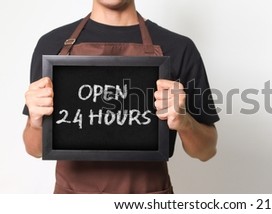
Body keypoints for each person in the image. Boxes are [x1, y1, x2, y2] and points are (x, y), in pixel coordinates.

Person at [22, 0, 219, 193]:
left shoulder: (179, 47)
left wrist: (185, 122)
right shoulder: (51, 44)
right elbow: (34, 149)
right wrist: (35, 122)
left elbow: (206, 151)